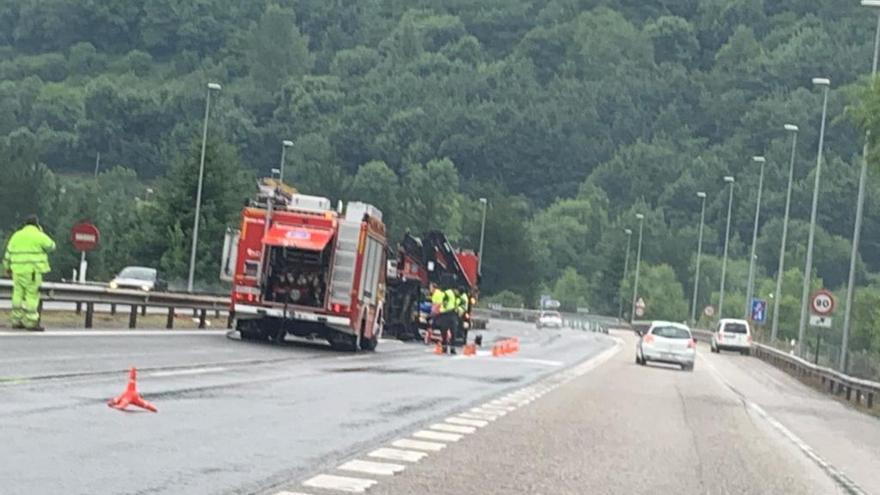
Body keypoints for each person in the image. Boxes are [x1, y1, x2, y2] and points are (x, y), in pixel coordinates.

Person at [3, 215, 56, 331]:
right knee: (31, 296)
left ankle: (16, 320)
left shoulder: (16, 236)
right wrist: (41, 232)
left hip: (17, 271)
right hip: (32, 272)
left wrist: (7, 268)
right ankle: (31, 322)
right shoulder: (39, 235)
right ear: (37, 224)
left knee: (17, 295)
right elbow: (52, 246)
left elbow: (8, 254)